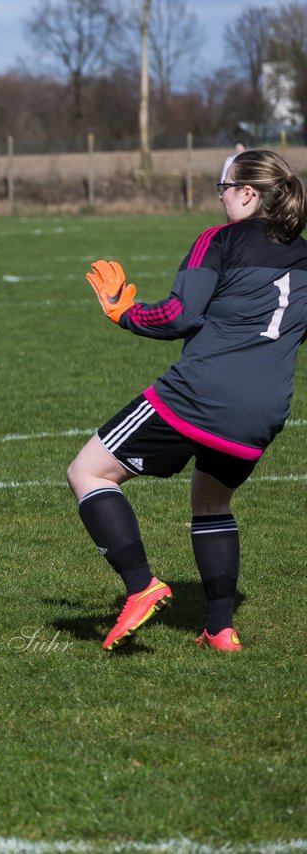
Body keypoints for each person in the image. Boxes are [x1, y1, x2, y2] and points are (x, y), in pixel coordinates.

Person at [69, 148, 307, 653]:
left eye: (222, 187)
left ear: (247, 193)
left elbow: (179, 314)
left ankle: (140, 586)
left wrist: (124, 313)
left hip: (199, 394)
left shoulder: (218, 240)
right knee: (211, 502)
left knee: (88, 472)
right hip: (263, 413)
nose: (219, 197)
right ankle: (220, 629)